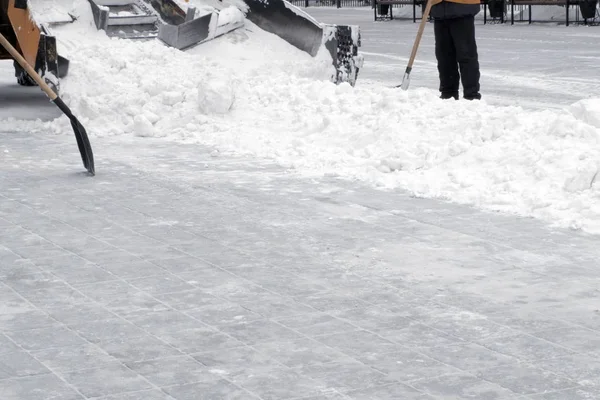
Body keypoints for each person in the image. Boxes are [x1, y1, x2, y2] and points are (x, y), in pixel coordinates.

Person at [429, 0, 482, 100]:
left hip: (462, 7)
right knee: (444, 56)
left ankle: (471, 95)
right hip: (439, 9)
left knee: (466, 54)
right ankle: (448, 93)